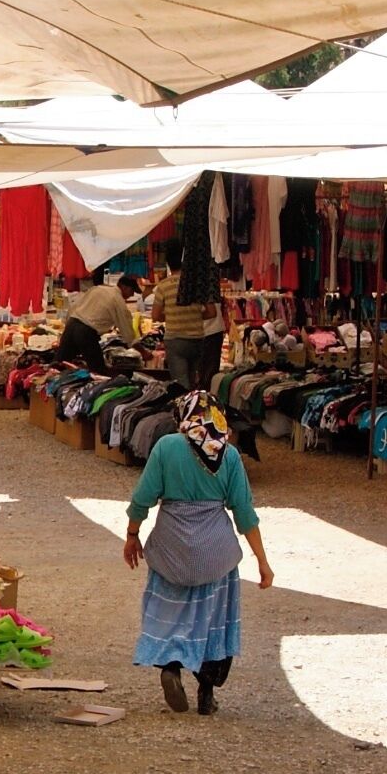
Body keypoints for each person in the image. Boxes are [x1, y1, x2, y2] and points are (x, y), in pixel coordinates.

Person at [124, 392, 272, 715]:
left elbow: (142, 499)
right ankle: (206, 692)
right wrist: (262, 561)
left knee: (170, 613)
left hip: (170, 550)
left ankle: (171, 668)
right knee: (212, 619)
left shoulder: (166, 447)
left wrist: (132, 535)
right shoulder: (229, 456)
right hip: (214, 554)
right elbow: (244, 512)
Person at [153, 266, 225, 391]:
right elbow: (212, 312)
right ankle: (195, 405)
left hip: (175, 339)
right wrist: (195, 316)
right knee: (194, 380)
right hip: (197, 338)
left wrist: (172, 316)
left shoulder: (163, 285)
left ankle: (185, 406)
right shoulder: (199, 284)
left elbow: (155, 315)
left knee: (181, 382)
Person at [60, 270, 139, 373]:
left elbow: (74, 307)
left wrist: (67, 326)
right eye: (132, 291)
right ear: (124, 287)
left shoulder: (97, 289)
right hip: (86, 333)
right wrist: (139, 348)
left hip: (71, 325)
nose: (132, 295)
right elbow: (127, 330)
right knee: (98, 370)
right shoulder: (118, 299)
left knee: (59, 365)